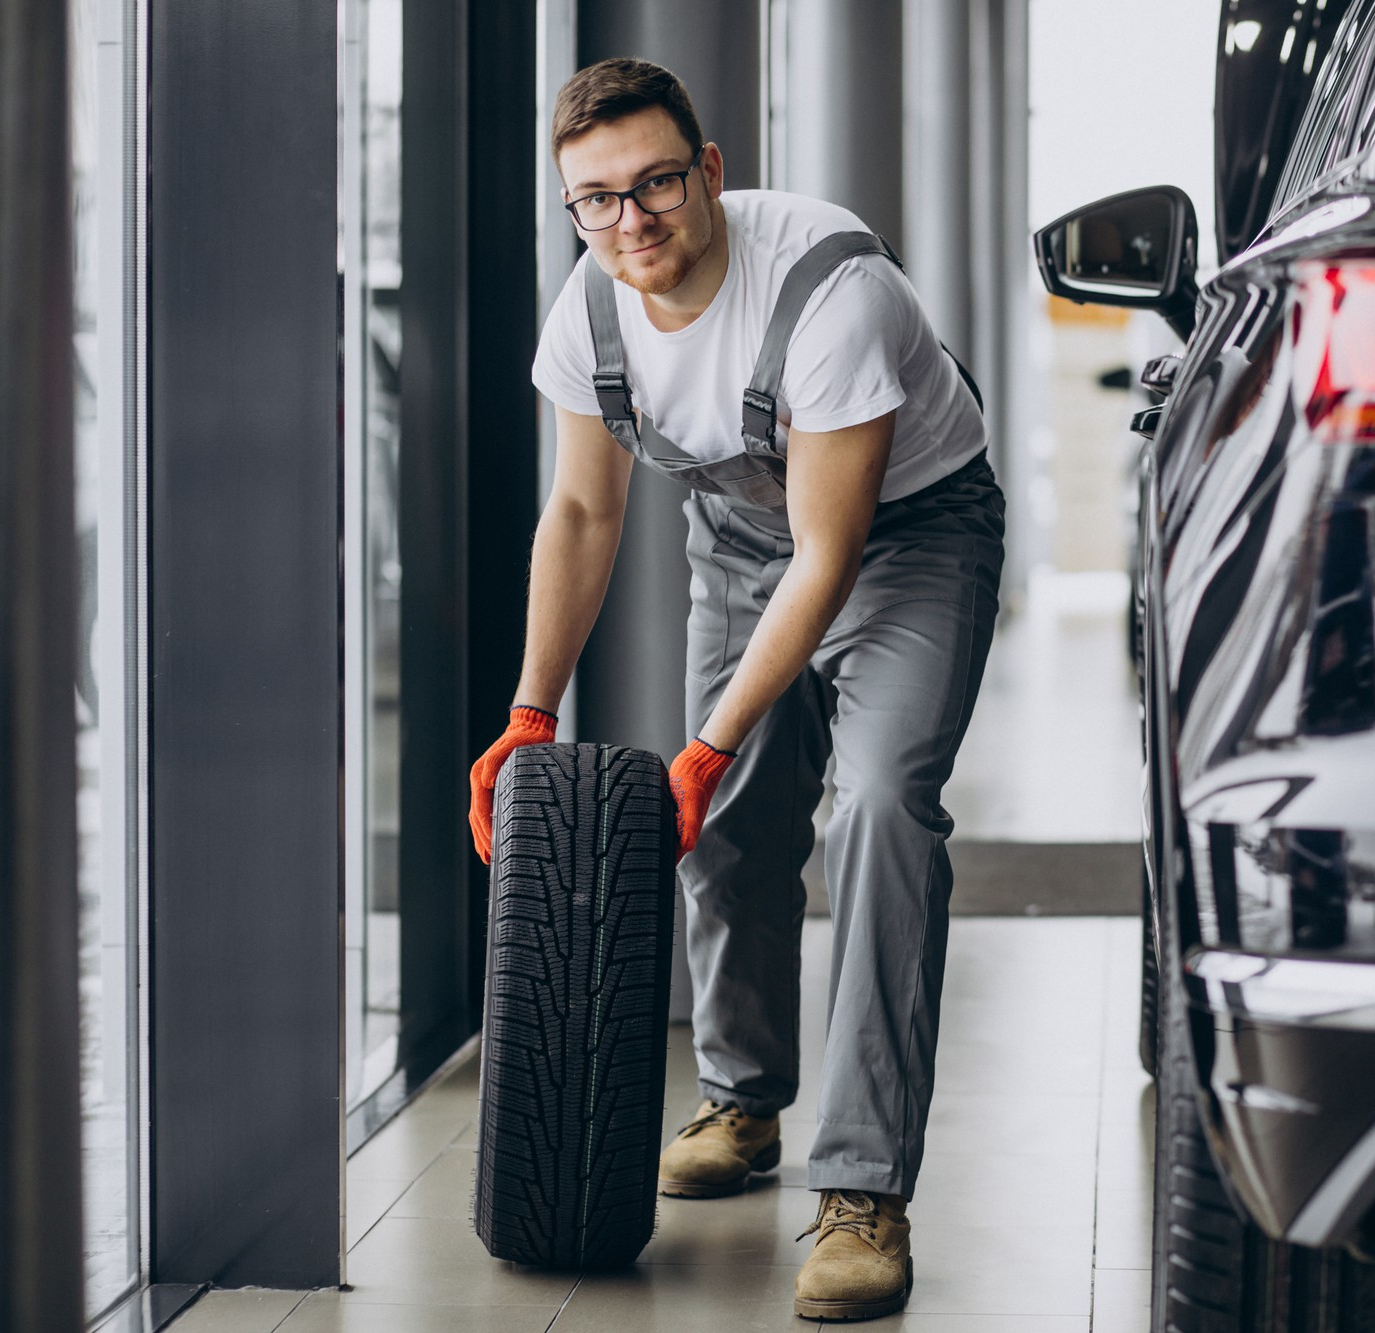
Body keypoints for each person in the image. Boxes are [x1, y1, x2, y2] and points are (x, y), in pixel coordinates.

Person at [466, 57, 1003, 1323]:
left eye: (655, 182)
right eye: (594, 201)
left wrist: (705, 740)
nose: (629, 222)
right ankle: (744, 1100)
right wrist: (530, 711)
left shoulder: (830, 290)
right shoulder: (588, 312)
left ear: (707, 170)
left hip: (912, 540)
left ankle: (865, 1189)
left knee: (877, 807)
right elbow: (586, 512)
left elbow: (831, 555)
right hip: (742, 540)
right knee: (728, 834)